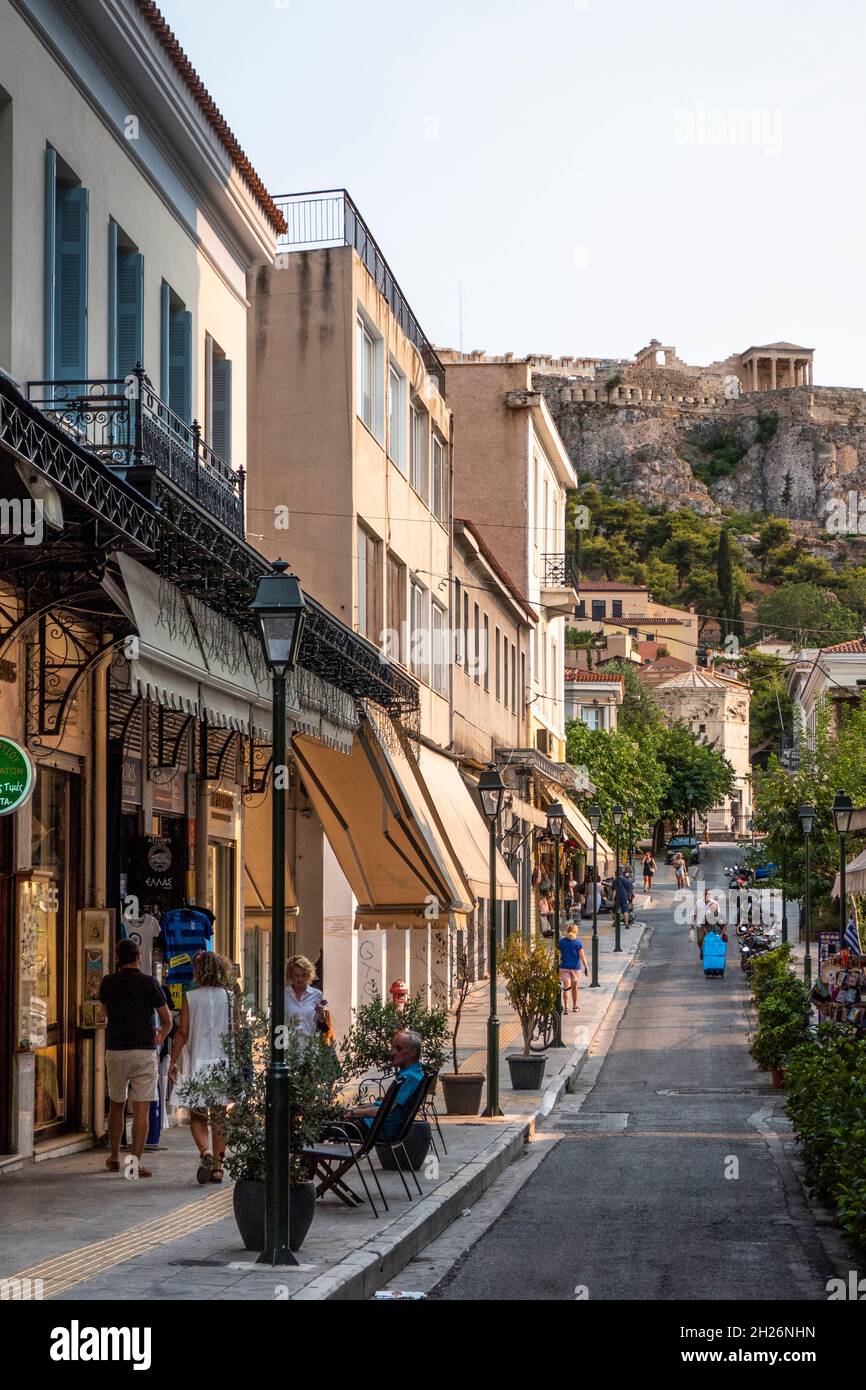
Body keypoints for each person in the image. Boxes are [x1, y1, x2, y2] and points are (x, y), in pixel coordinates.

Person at [99, 939, 173, 1177]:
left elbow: (104, 1013)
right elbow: (167, 1018)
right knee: (142, 1108)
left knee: (116, 1106)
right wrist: (160, 1035)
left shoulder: (108, 983)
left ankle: (113, 1155)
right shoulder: (149, 983)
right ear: (139, 956)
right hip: (143, 1050)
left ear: (117, 957)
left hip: (116, 1049)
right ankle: (135, 1163)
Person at [169, 951, 237, 1184]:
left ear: (199, 972)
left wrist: (173, 1060)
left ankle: (205, 1152)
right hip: (222, 1061)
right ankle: (218, 1168)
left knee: (197, 1114)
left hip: (197, 1061)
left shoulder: (191, 996)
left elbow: (183, 1031)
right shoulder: (229, 997)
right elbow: (234, 1030)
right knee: (219, 1116)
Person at [343, 1031, 426, 1141]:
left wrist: (354, 1112)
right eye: (392, 1048)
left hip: (377, 1129)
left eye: (398, 1048)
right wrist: (361, 1108)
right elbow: (388, 1106)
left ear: (413, 1052)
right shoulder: (416, 1073)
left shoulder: (408, 1077)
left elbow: (384, 1111)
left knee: (321, 1127)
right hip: (380, 1127)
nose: (392, 1053)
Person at [285, 954, 327, 1038]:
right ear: (290, 975)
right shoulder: (284, 995)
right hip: (289, 1047)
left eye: (303, 975)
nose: (300, 979)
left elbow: (322, 1027)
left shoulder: (316, 994)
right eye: (296, 975)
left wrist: (320, 1015)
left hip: (310, 1046)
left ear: (308, 975)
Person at [558, 925, 589, 1013]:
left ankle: (566, 1007)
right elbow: (582, 956)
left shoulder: (561, 942)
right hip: (575, 968)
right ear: (576, 931)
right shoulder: (578, 943)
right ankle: (575, 1006)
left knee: (566, 988)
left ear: (567, 931)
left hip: (564, 967)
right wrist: (586, 967)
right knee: (575, 988)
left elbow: (558, 953)